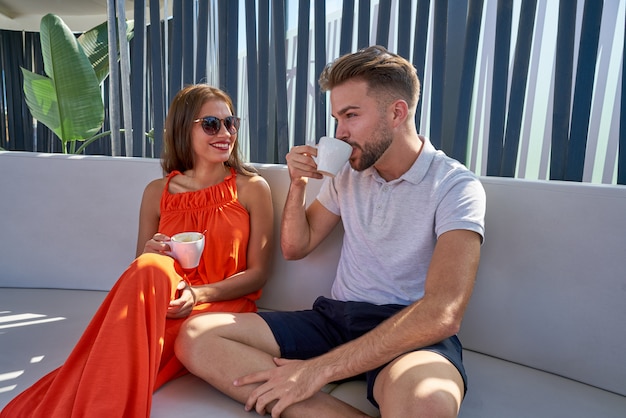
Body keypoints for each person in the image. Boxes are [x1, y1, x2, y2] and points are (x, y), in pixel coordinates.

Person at [175, 45, 486, 418]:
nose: (340, 133)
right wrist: (298, 184)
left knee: (427, 402)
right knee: (196, 337)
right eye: (337, 118)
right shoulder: (349, 175)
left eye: (351, 116)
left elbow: (442, 312)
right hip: (337, 319)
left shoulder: (455, 187)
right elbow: (295, 246)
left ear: (397, 112)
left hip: (409, 333)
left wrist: (315, 371)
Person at [0, 84, 274, 418]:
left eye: (230, 123)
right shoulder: (157, 191)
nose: (225, 133)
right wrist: (151, 251)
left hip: (218, 305)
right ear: (183, 129)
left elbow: (258, 274)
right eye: (211, 124)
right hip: (164, 302)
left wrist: (197, 294)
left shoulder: (251, 188)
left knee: (121, 354)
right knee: (147, 267)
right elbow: (139, 269)